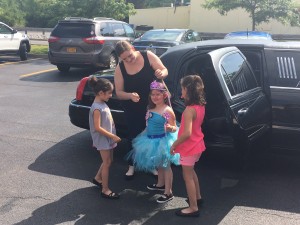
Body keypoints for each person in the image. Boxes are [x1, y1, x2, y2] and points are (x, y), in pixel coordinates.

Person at [114, 40, 168, 179]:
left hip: (153, 104)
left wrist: (161, 73)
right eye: (124, 59)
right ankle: (132, 165)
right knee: (133, 135)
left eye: (130, 56)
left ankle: (150, 165)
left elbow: (164, 70)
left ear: (133, 48)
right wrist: (129, 95)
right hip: (133, 107)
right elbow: (119, 92)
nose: (129, 60)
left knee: (152, 135)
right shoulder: (120, 68)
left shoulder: (147, 55)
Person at [127, 80, 180, 203]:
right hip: (150, 139)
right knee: (159, 164)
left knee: (166, 166)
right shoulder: (151, 108)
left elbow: (174, 128)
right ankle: (160, 184)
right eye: (153, 94)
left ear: (164, 95)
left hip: (163, 140)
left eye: (158, 94)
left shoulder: (167, 110)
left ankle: (168, 192)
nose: (155, 97)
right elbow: (148, 124)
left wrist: (169, 128)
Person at [170, 75, 206, 217]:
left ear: (187, 90)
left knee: (187, 177)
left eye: (182, 89)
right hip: (198, 145)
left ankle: (193, 207)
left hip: (189, 147)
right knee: (192, 173)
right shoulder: (201, 106)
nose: (181, 92)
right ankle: (197, 197)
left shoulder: (188, 111)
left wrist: (174, 144)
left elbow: (186, 134)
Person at [88, 76, 121, 200]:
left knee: (109, 160)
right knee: (107, 162)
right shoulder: (97, 107)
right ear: (101, 93)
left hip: (107, 137)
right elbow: (97, 127)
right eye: (109, 93)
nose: (111, 95)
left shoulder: (102, 103)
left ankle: (98, 178)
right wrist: (112, 135)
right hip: (103, 138)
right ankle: (105, 189)